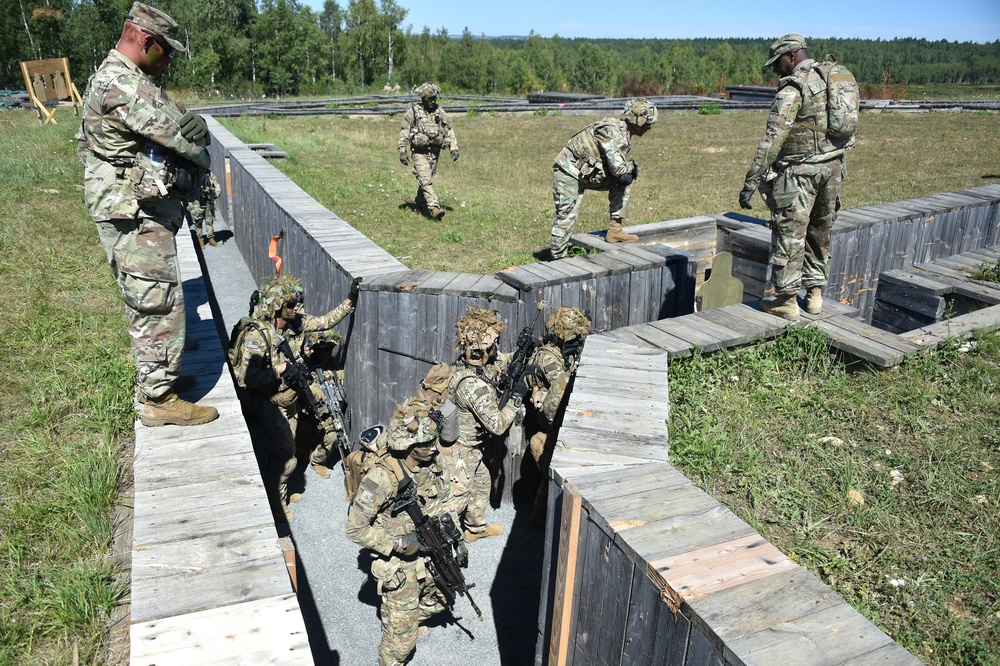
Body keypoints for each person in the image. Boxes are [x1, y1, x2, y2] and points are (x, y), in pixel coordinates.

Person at [78, 2, 217, 427]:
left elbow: (174, 123)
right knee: (157, 302)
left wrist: (191, 126)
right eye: (165, 50)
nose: (169, 59)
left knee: (148, 298)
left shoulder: (130, 78)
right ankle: (158, 398)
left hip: (133, 209)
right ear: (144, 39)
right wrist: (199, 138)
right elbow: (186, 141)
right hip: (133, 213)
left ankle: (155, 379)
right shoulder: (121, 83)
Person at [738, 34, 853, 321]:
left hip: (800, 173)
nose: (776, 69)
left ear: (791, 56)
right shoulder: (831, 77)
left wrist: (751, 181)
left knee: (790, 232)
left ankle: (787, 301)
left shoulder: (794, 87)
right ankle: (814, 297)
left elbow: (772, 139)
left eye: (777, 62)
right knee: (820, 231)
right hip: (832, 168)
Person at [346, 397, 466, 666]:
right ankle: (397, 642)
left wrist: (456, 536)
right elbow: (354, 529)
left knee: (446, 596)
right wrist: (399, 543)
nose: (436, 448)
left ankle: (408, 620)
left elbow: (444, 501)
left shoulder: (433, 461)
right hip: (399, 559)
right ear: (410, 447)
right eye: (427, 444)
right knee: (401, 647)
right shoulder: (381, 478)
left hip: (431, 543)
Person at [231, 273, 358, 521]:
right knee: (284, 455)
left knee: (300, 439)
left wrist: (350, 299)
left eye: (296, 303)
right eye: (290, 305)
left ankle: (284, 489)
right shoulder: (258, 336)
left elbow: (324, 322)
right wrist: (278, 370)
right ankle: (276, 505)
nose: (296, 307)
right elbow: (247, 380)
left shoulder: (296, 322)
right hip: (270, 401)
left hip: (292, 395)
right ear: (277, 307)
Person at [448, 307, 530, 542]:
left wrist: (521, 352)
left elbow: (500, 361)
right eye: (492, 347)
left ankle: (475, 528)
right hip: (461, 453)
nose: (495, 351)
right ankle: (444, 540)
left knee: (482, 480)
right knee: (455, 499)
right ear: (483, 351)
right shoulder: (475, 387)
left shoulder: (463, 367)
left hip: (466, 447)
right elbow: (497, 425)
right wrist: (515, 400)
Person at [549, 98, 658, 259]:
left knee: (622, 183)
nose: (649, 128)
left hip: (586, 172)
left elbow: (620, 172)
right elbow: (619, 169)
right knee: (567, 215)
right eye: (648, 124)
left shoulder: (623, 132)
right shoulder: (612, 132)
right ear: (639, 122)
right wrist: (629, 168)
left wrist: (630, 169)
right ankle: (557, 259)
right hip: (568, 172)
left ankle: (615, 230)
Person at [525, 307, 591, 527]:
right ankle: (540, 519)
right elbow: (558, 390)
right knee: (550, 474)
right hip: (548, 419)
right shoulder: (548, 358)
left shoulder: (561, 352)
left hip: (556, 414)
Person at [398, 83, 459, 220]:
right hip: (419, 152)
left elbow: (449, 130)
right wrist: (402, 150)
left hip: (435, 152)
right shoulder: (413, 113)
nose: (432, 102)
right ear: (423, 98)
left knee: (426, 180)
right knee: (425, 180)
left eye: (434, 99)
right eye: (430, 99)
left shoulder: (440, 112)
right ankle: (434, 208)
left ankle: (419, 204)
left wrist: (453, 148)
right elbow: (404, 131)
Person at [186, 170, 221, 248]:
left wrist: (215, 194)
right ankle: (200, 239)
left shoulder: (208, 173)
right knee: (198, 220)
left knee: (209, 220)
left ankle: (211, 238)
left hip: (208, 199)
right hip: (197, 200)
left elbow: (216, 185)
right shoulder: (193, 173)